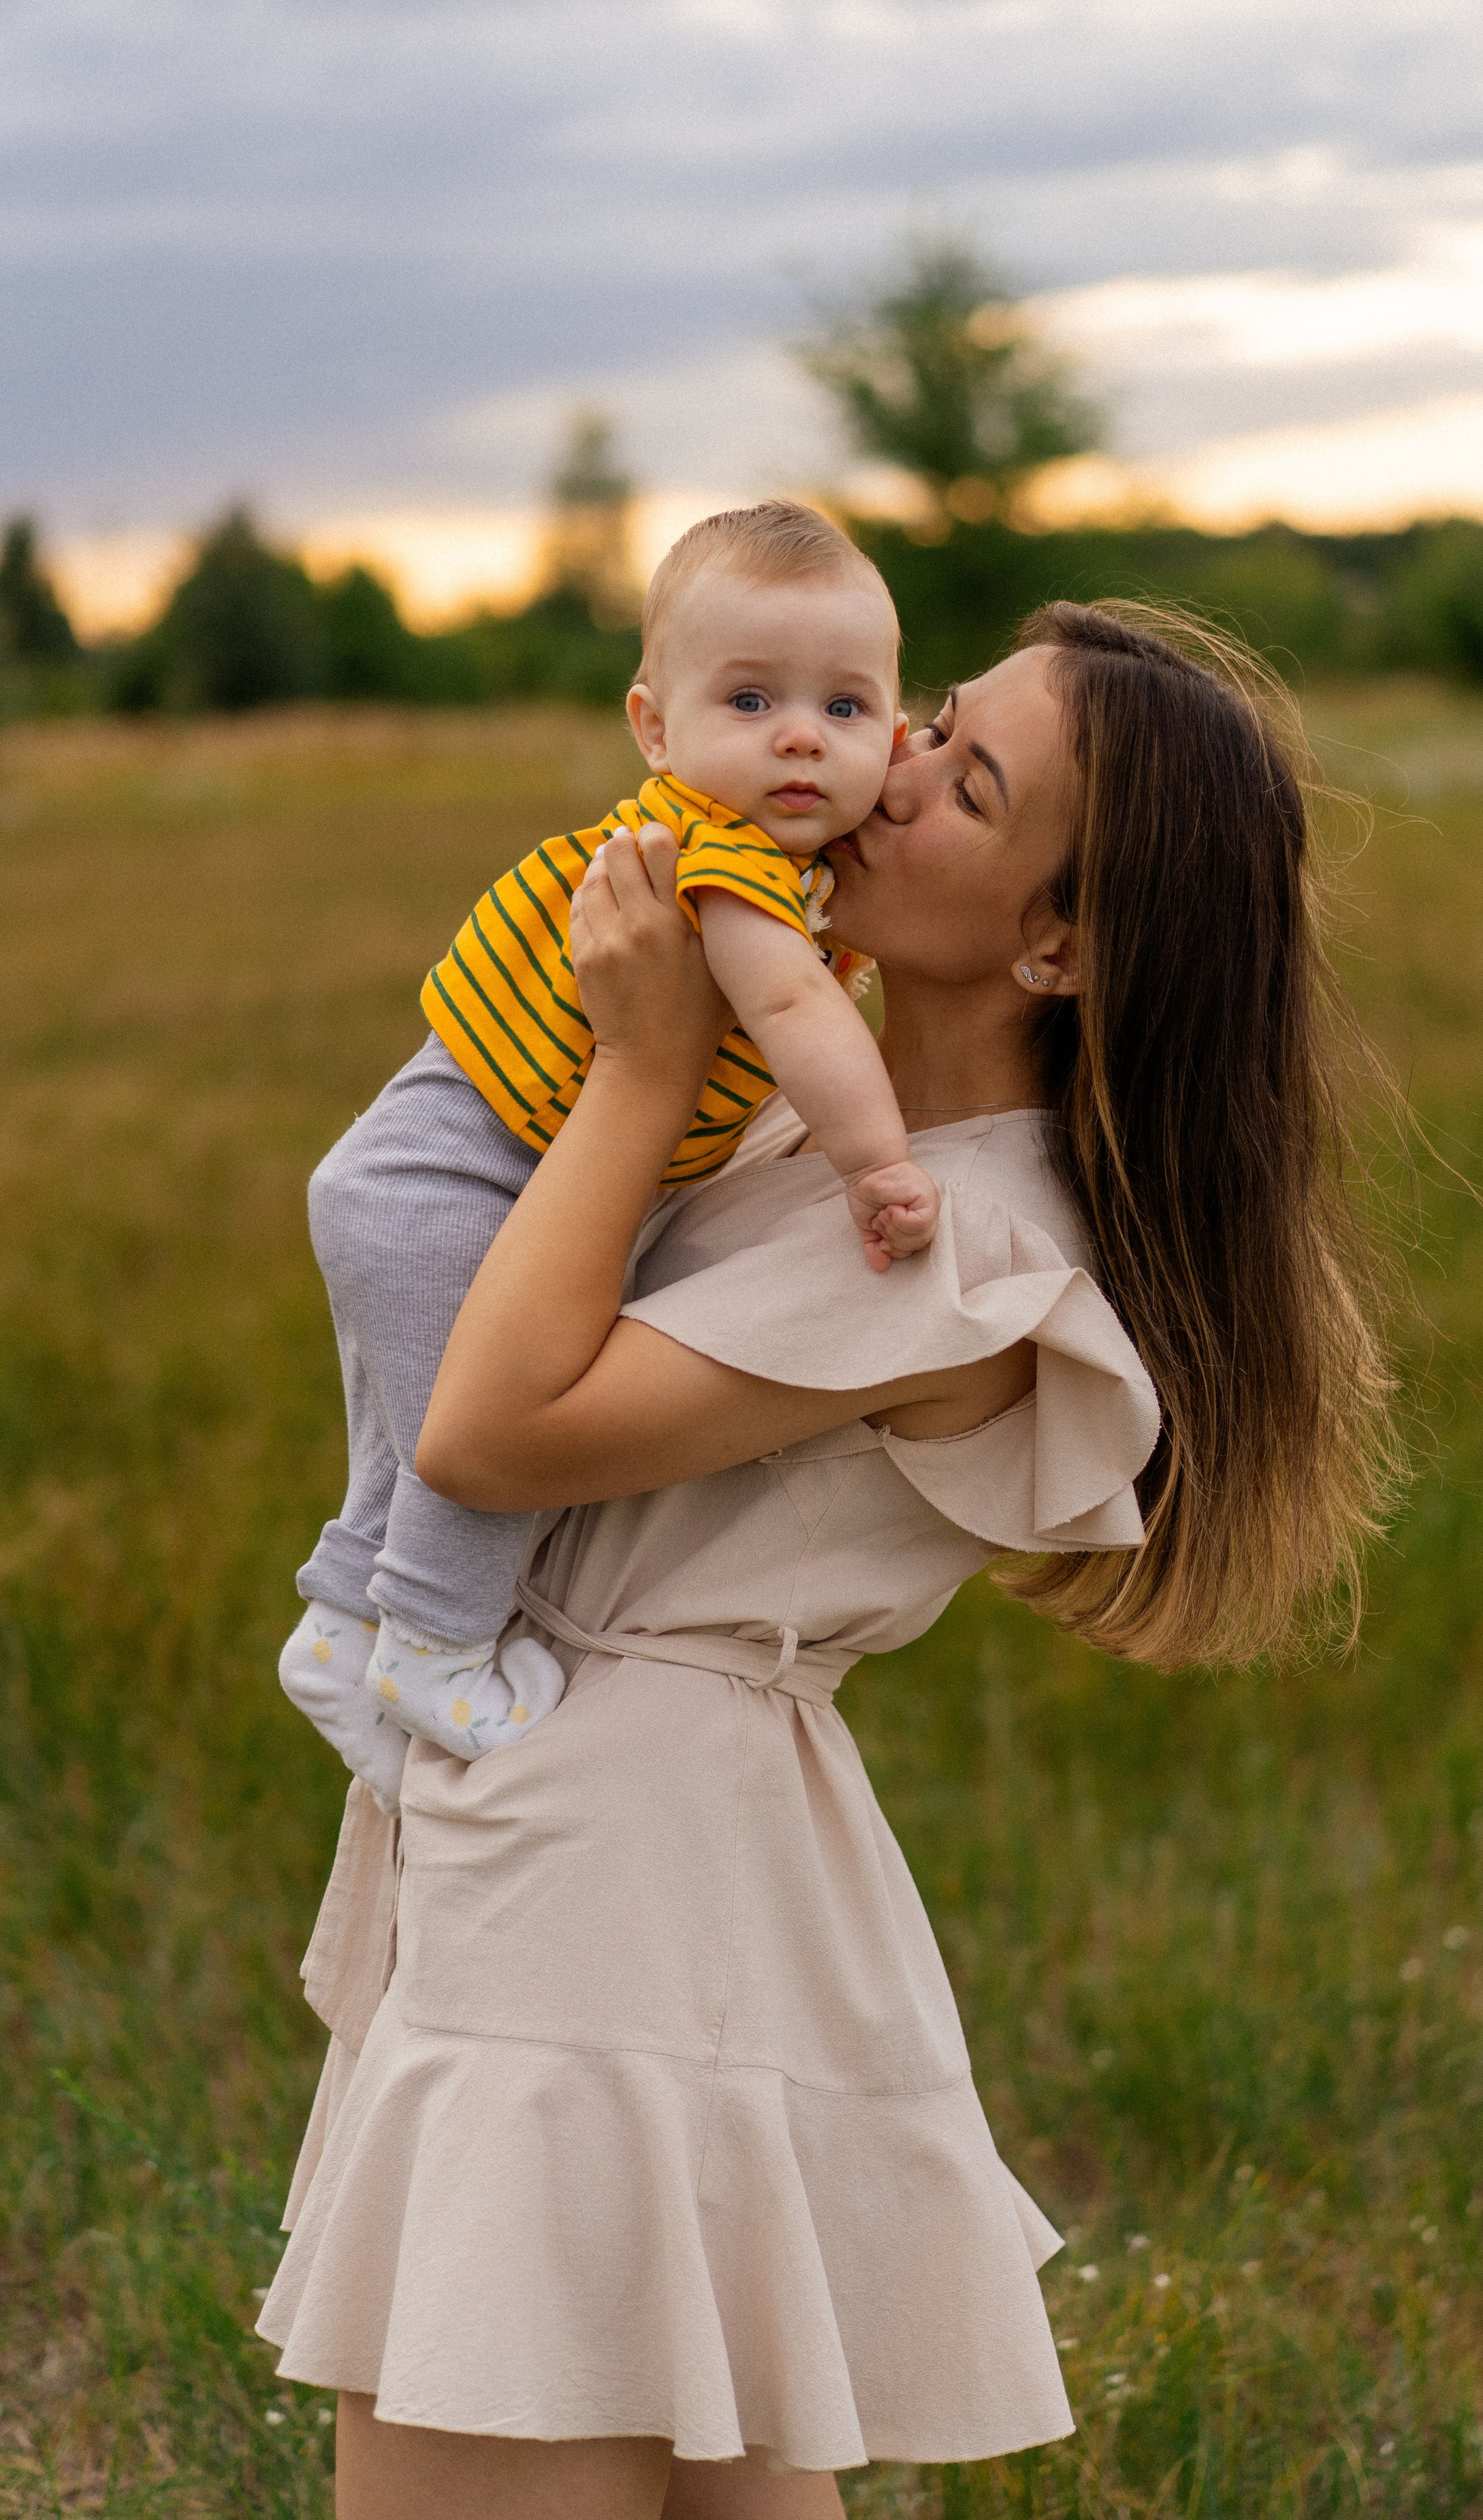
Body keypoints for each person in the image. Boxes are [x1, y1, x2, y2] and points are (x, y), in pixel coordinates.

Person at [256, 601, 1397, 2519]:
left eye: (968, 781)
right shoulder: (827, 1125)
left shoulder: (956, 1255)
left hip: (604, 1903)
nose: (868, 774)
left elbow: (489, 1432)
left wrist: (634, 1070)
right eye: (927, 718)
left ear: (1058, 943)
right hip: (653, 1865)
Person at [278, 503, 942, 1803]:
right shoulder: (724, 860)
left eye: (846, 709)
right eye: (751, 701)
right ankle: (434, 1645)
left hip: (431, 1171)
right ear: (656, 727)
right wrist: (878, 1164)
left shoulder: (776, 862)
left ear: (897, 729)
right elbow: (800, 1011)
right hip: (449, 1187)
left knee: (418, 1446)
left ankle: (342, 1628)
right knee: (481, 1449)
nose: (801, 735)